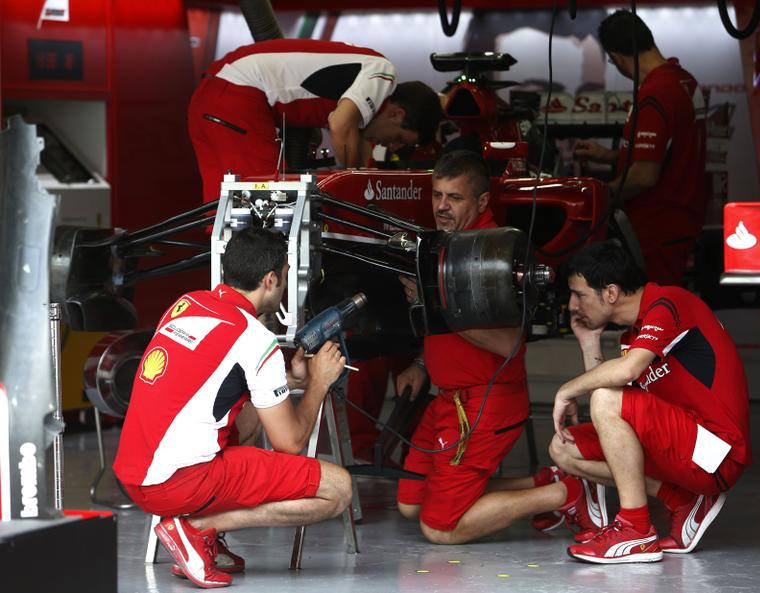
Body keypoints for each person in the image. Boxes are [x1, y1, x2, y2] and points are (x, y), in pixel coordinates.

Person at [113, 227, 351, 588]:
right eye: (285, 276)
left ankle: (196, 535)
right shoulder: (255, 339)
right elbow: (289, 442)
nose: (285, 284)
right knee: (339, 489)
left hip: (135, 473)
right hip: (177, 484)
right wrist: (319, 382)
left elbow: (212, 391)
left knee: (246, 424)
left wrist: (291, 381)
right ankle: (193, 529)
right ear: (270, 279)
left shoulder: (186, 303)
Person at [393, 149, 606, 544]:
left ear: (482, 202)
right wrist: (422, 363)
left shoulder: (498, 254)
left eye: (454, 198)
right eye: (437, 195)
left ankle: (567, 494)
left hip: (484, 403)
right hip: (446, 399)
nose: (441, 206)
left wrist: (436, 306)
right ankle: (544, 481)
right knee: (411, 502)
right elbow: (435, 324)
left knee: (440, 528)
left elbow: (510, 342)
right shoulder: (442, 243)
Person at [550, 241, 751, 564]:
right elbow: (616, 414)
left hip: (718, 453)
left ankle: (635, 530)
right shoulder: (634, 334)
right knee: (564, 448)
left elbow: (619, 381)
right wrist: (590, 343)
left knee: (606, 397)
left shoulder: (667, 302)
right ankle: (682, 500)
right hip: (685, 449)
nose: (572, 305)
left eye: (580, 294)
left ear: (611, 293)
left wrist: (567, 390)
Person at [188, 38, 444, 203]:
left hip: (211, 96)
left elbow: (351, 131)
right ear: (397, 114)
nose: (392, 146)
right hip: (238, 95)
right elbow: (341, 125)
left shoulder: (362, 91)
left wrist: (363, 170)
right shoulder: (383, 72)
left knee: (225, 211)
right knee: (266, 204)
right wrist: (359, 187)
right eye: (398, 139)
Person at [574, 10, 706, 285]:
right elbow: (669, 149)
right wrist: (610, 155)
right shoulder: (684, 81)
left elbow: (645, 175)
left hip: (657, 228)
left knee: (654, 316)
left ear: (617, 56)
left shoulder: (656, 93)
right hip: (679, 221)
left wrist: (599, 196)